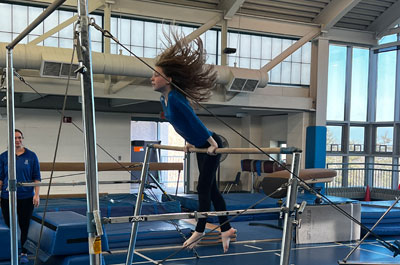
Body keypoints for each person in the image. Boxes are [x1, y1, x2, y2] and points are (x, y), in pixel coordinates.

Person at [151, 32, 236, 253]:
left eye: (156, 75)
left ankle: (199, 229)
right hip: (199, 144)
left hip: (210, 143)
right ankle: (226, 228)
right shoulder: (164, 98)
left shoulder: (177, 99)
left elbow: (194, 121)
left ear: (168, 79)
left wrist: (211, 144)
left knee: (202, 187)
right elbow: (180, 126)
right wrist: (189, 143)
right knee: (213, 190)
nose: (151, 78)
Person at [0, 129, 41, 264]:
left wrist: (36, 195)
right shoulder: (4, 157)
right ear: (10, 140)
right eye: (15, 138)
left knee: (24, 225)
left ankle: (23, 252)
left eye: (19, 138)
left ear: (22, 139)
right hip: (7, 197)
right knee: (9, 225)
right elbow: (1, 179)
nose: (17, 140)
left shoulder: (31, 156)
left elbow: (36, 177)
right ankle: (10, 250)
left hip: (26, 197)